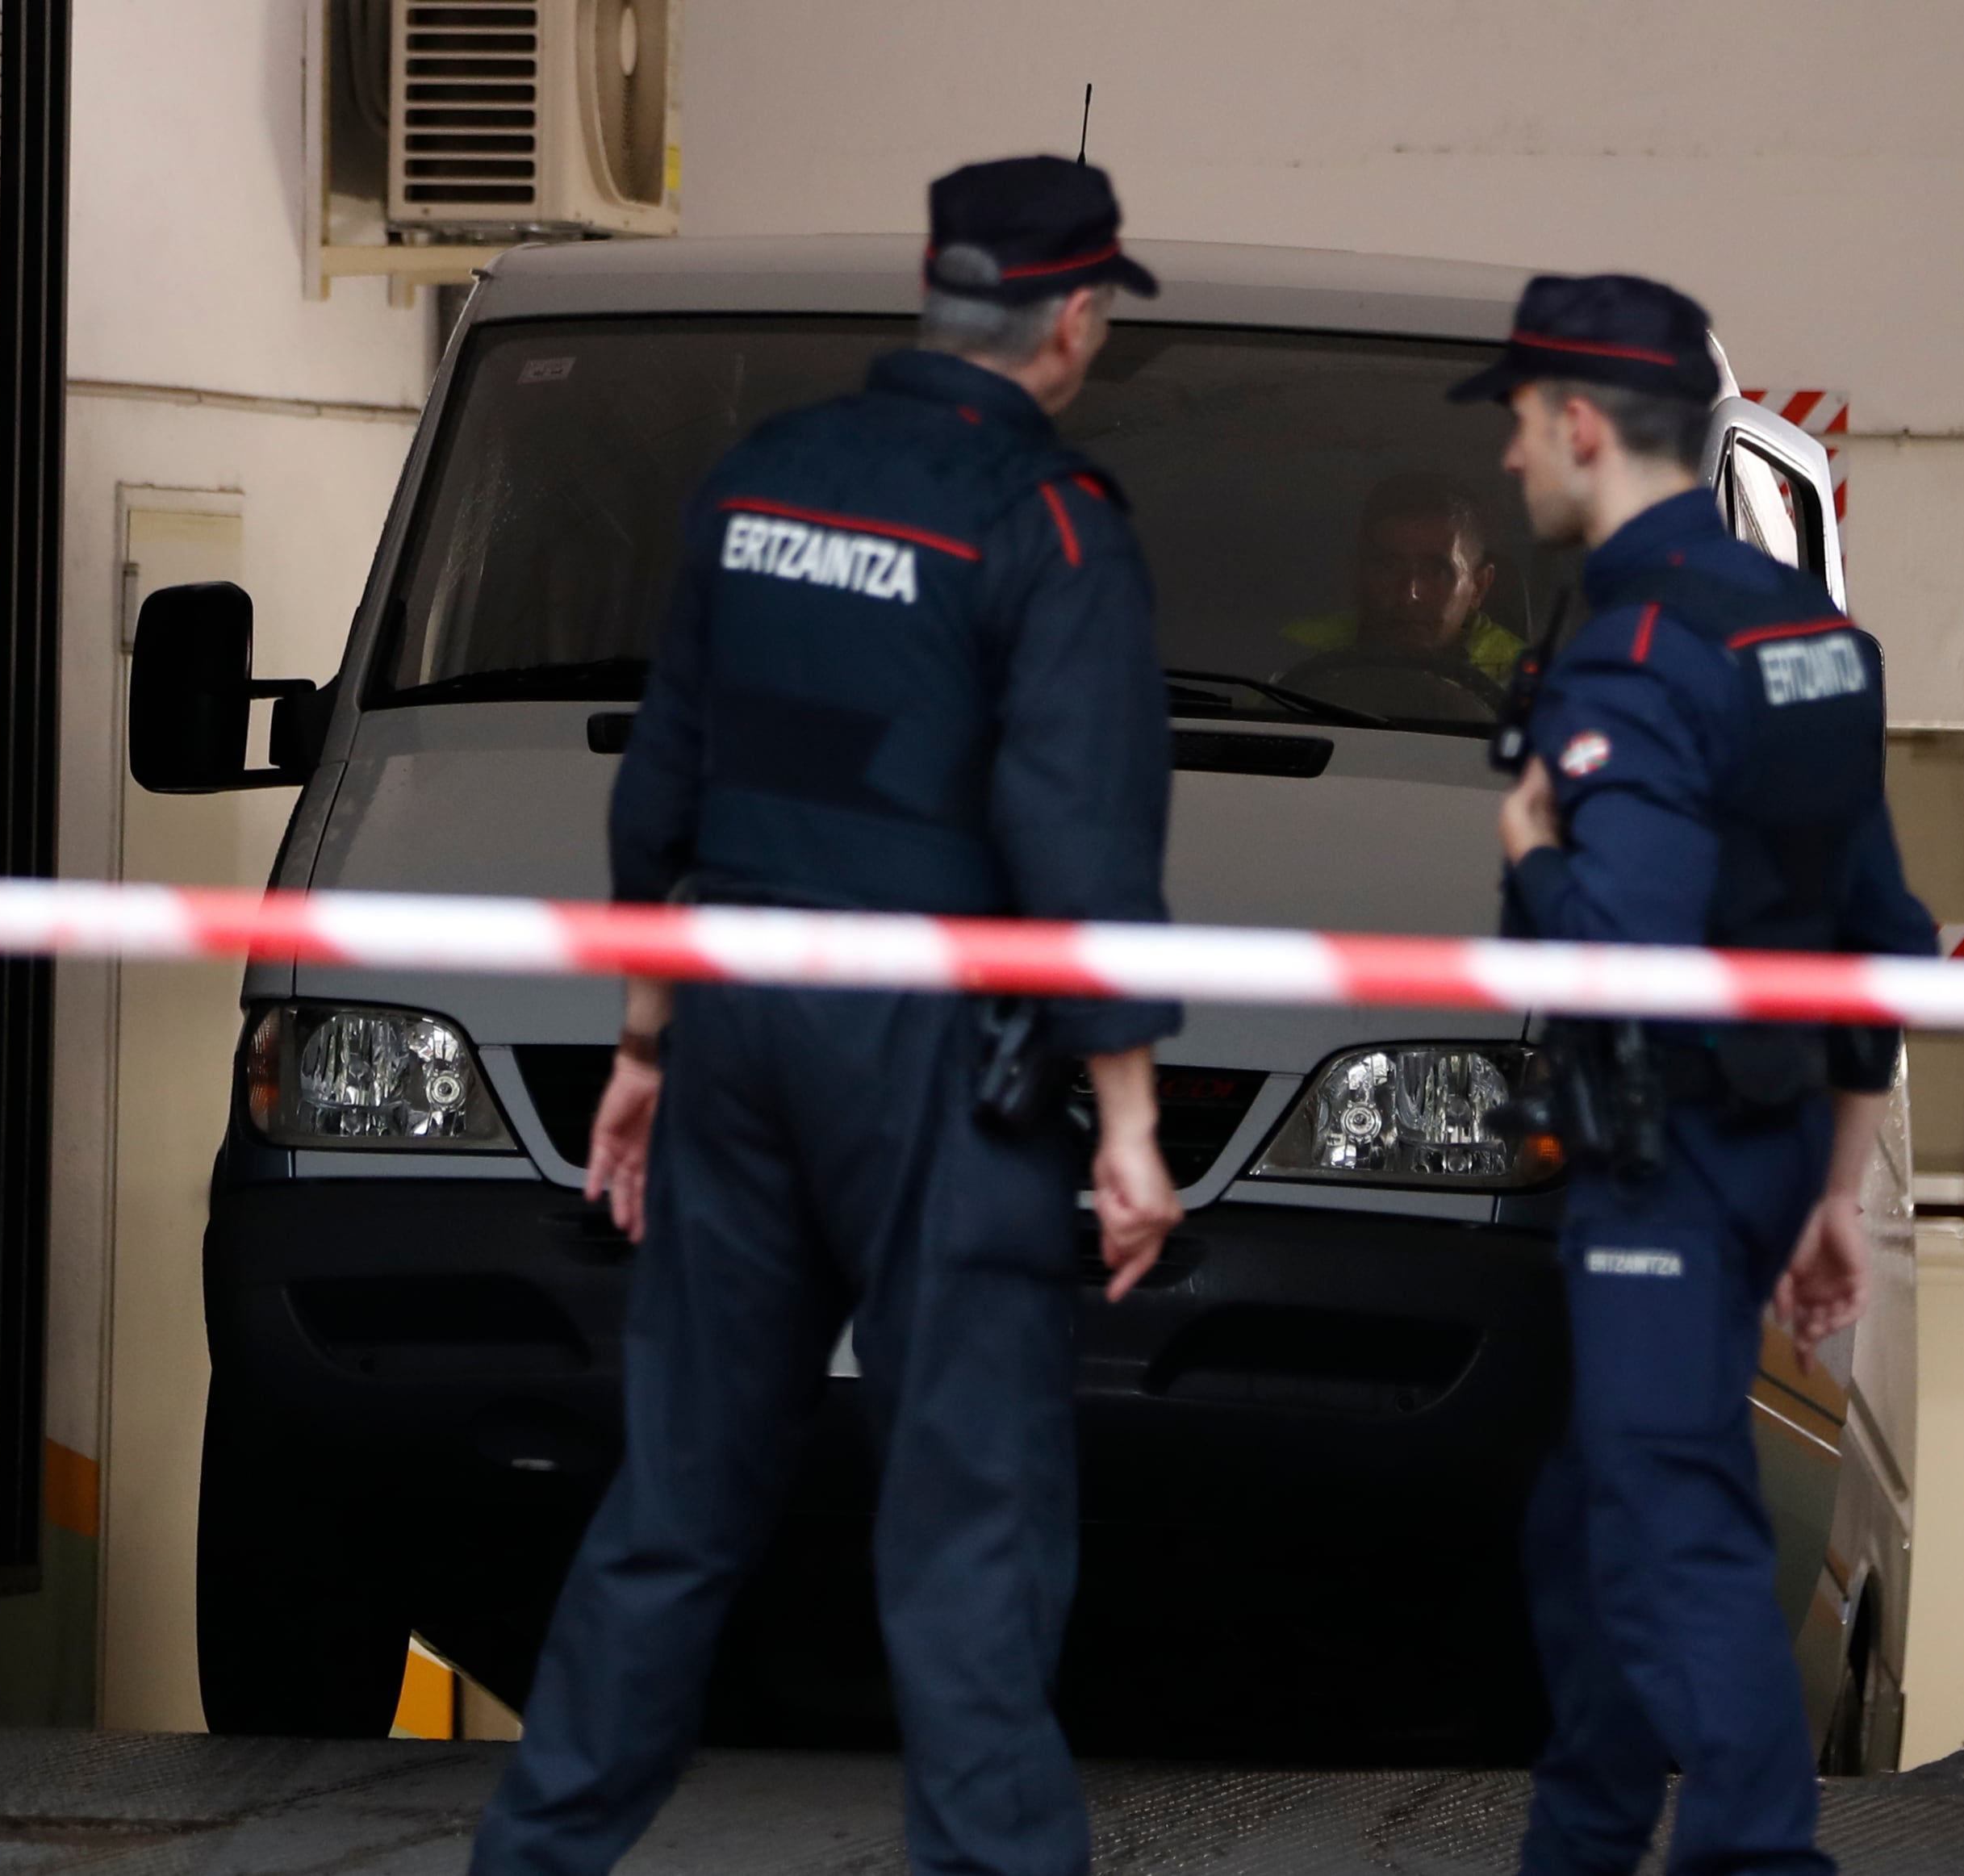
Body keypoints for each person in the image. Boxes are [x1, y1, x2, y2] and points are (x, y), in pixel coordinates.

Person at [470, 157, 1184, 1876]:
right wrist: (1135, 1122)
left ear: (938, 295)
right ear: (1074, 320)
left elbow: (670, 791)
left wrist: (643, 1046)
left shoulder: (757, 482)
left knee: (681, 1498)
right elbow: (1080, 832)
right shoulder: (1050, 521)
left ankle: (537, 1857)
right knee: (968, 1521)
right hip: (927, 1059)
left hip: (731, 1029)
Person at [1459, 275, 1936, 1876]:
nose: (1513, 457)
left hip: (1657, 1146)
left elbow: (1621, 943)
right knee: (1587, 1528)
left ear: (1583, 426)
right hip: (1770, 1136)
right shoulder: (1811, 636)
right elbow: (1879, 930)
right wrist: (1832, 1188)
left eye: (1522, 423)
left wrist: (1530, 849)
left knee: (1675, 1519)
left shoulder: (1632, 648)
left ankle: (1758, 1855)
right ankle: (1580, 1842)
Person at [1277, 470, 1525, 687]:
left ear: (1478, 587)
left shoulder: (1529, 683)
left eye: (1437, 571)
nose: (1409, 594)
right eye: (1387, 567)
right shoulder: (1295, 658)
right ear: (1357, 575)